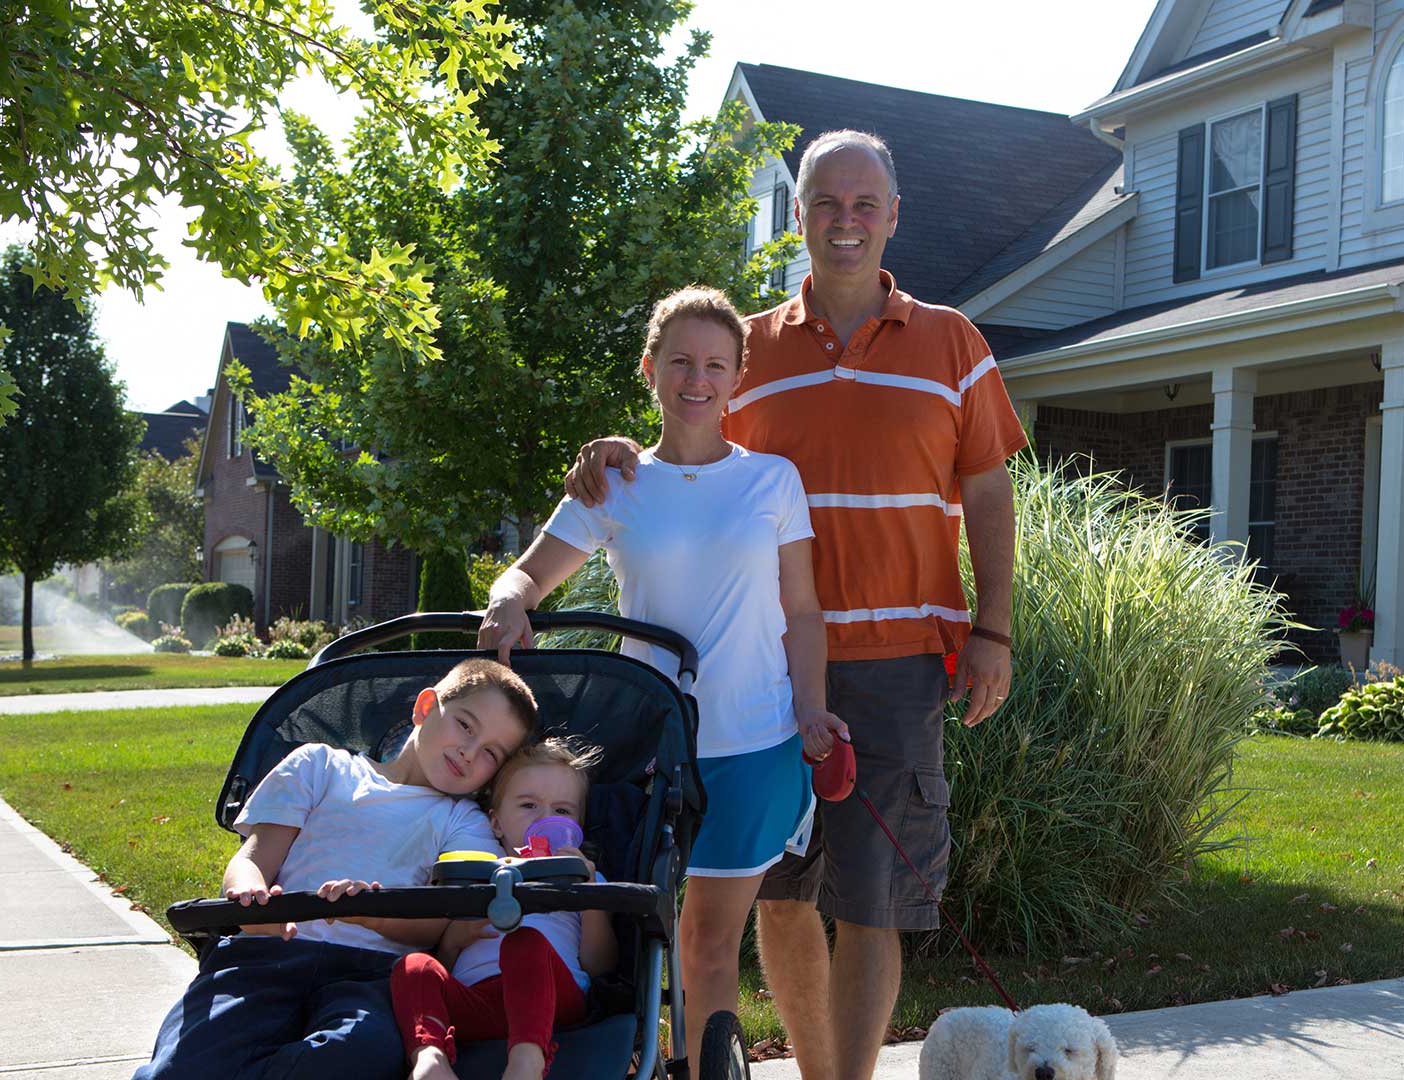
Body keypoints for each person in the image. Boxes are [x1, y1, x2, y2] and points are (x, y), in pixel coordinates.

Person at [565, 130, 1025, 1080]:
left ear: (894, 216)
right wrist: (612, 448)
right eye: (825, 202)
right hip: (762, 676)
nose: (845, 221)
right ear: (800, 214)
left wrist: (994, 627)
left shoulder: (955, 344)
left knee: (872, 903)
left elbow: (986, 492)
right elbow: (682, 442)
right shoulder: (751, 350)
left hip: (899, 661)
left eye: (865, 204)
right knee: (778, 898)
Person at [480, 285, 847, 1075]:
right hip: (652, 753)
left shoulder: (772, 481)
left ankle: (701, 1067)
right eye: (679, 360)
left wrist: (813, 707)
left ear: (737, 379)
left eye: (716, 364)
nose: (697, 378)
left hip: (755, 744)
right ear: (650, 369)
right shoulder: (613, 482)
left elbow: (804, 610)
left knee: (706, 942)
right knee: (646, 944)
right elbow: (525, 577)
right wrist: (506, 605)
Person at [135, 658, 539, 1080]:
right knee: (184, 1064)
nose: (469, 752)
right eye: (465, 726)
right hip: (268, 953)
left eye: (491, 752)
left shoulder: (463, 821)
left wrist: (370, 913)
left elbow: (439, 924)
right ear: (424, 708)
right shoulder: (320, 767)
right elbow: (253, 859)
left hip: (373, 974)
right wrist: (249, 900)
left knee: (362, 1054)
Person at [389, 738, 615, 1080]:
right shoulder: (476, 868)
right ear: (496, 823)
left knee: (524, 941)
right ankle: (431, 1060)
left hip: (554, 999)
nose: (545, 819)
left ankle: (527, 1061)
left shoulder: (583, 874)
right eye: (528, 806)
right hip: (475, 1000)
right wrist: (453, 942)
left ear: (577, 828)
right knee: (413, 967)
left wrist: (589, 893)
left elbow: (599, 965)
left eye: (562, 811)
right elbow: (443, 962)